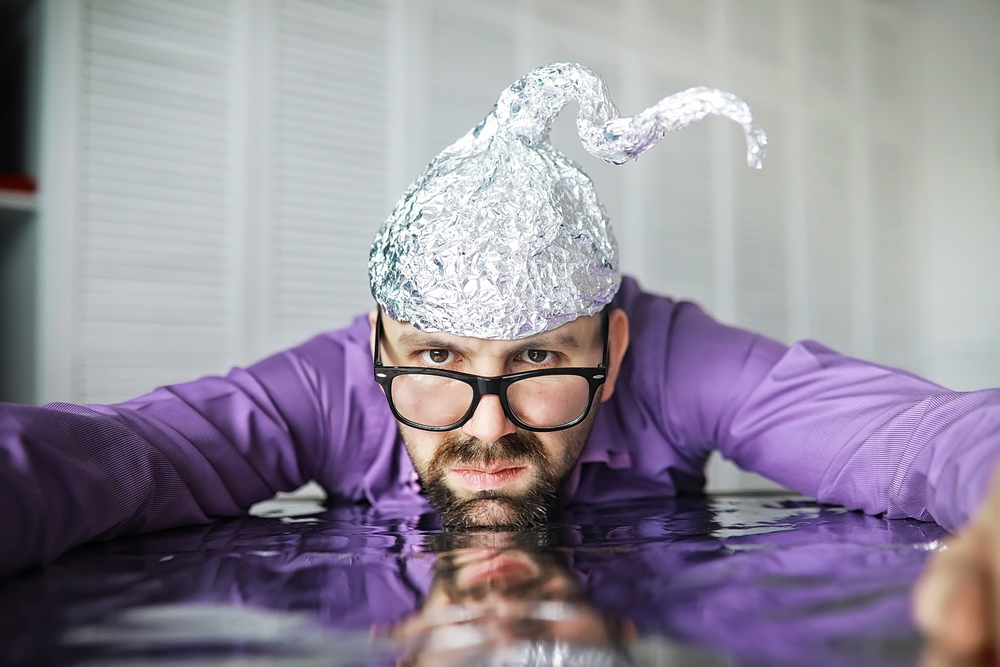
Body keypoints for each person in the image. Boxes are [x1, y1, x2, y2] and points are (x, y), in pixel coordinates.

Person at [0, 62, 997, 662]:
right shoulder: (332, 384)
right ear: (380, 343)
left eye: (538, 360)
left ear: (610, 349)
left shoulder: (671, 355)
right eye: (438, 358)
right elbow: (120, 452)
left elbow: (911, 432)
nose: (487, 427)